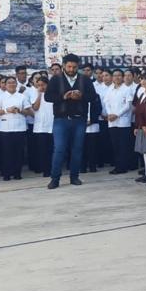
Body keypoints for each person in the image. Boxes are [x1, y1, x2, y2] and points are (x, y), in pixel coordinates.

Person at [44, 53, 98, 189]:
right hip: (61, 120)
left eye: (74, 67)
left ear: (77, 66)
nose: (71, 69)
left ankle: (74, 177)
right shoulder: (56, 79)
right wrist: (64, 96)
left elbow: (93, 97)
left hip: (79, 120)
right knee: (59, 149)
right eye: (69, 66)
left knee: (77, 149)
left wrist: (81, 96)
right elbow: (48, 97)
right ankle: (55, 179)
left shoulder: (85, 79)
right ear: (63, 65)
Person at [0, 77, 28, 180]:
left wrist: (19, 110)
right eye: (9, 83)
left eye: (13, 82)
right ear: (5, 85)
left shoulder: (22, 97)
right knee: (6, 152)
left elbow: (28, 112)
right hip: (5, 128)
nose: (11, 84)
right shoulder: (1, 97)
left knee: (19, 152)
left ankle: (17, 173)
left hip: (19, 127)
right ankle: (6, 173)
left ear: (16, 84)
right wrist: (6, 110)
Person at [103, 69, 135, 173]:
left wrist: (117, 115)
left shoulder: (127, 89)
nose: (117, 77)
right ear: (112, 77)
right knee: (115, 145)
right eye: (115, 75)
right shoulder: (110, 89)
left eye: (119, 75)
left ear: (122, 77)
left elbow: (128, 106)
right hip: (112, 121)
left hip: (123, 121)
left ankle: (123, 167)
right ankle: (118, 166)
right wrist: (110, 114)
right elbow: (107, 103)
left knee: (123, 145)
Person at [29, 76, 54, 177]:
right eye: (38, 85)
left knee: (51, 149)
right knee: (42, 150)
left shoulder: (52, 94)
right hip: (40, 126)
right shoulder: (34, 94)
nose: (41, 87)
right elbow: (35, 107)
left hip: (52, 125)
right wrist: (39, 94)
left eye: (43, 85)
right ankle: (44, 170)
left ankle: (52, 168)